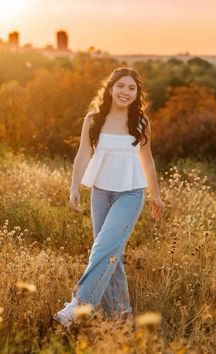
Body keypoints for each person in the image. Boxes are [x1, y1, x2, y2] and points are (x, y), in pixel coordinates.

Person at [53, 67, 164, 330]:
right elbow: (83, 154)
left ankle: (77, 306)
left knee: (102, 249)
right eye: (121, 86)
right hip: (100, 193)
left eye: (132, 88)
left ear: (137, 93)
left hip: (130, 194)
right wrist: (74, 187)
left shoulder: (141, 123)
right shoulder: (93, 120)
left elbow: (147, 161)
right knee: (111, 253)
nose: (125, 92)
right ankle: (122, 316)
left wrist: (156, 195)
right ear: (110, 88)